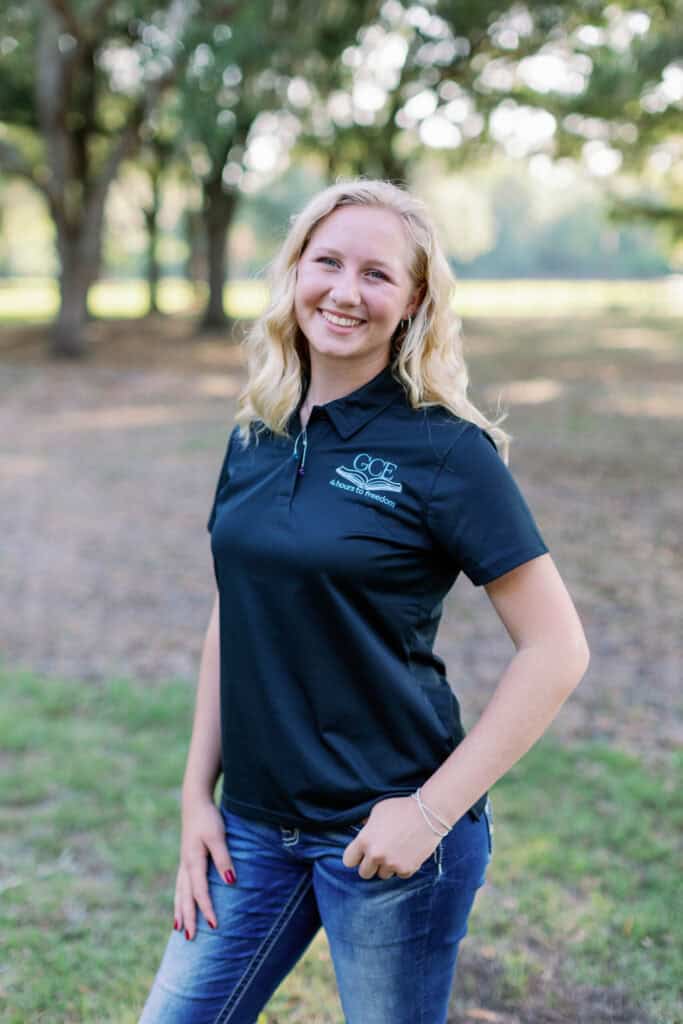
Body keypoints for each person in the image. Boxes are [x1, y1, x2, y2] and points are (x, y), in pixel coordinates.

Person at [138, 178, 589, 1024]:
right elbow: (233, 614)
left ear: (413, 300)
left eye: (377, 275)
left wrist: (427, 815)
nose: (345, 292)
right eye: (328, 262)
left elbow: (557, 649)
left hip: (389, 841)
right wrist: (198, 798)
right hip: (251, 835)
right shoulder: (256, 432)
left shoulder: (448, 452)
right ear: (294, 271)